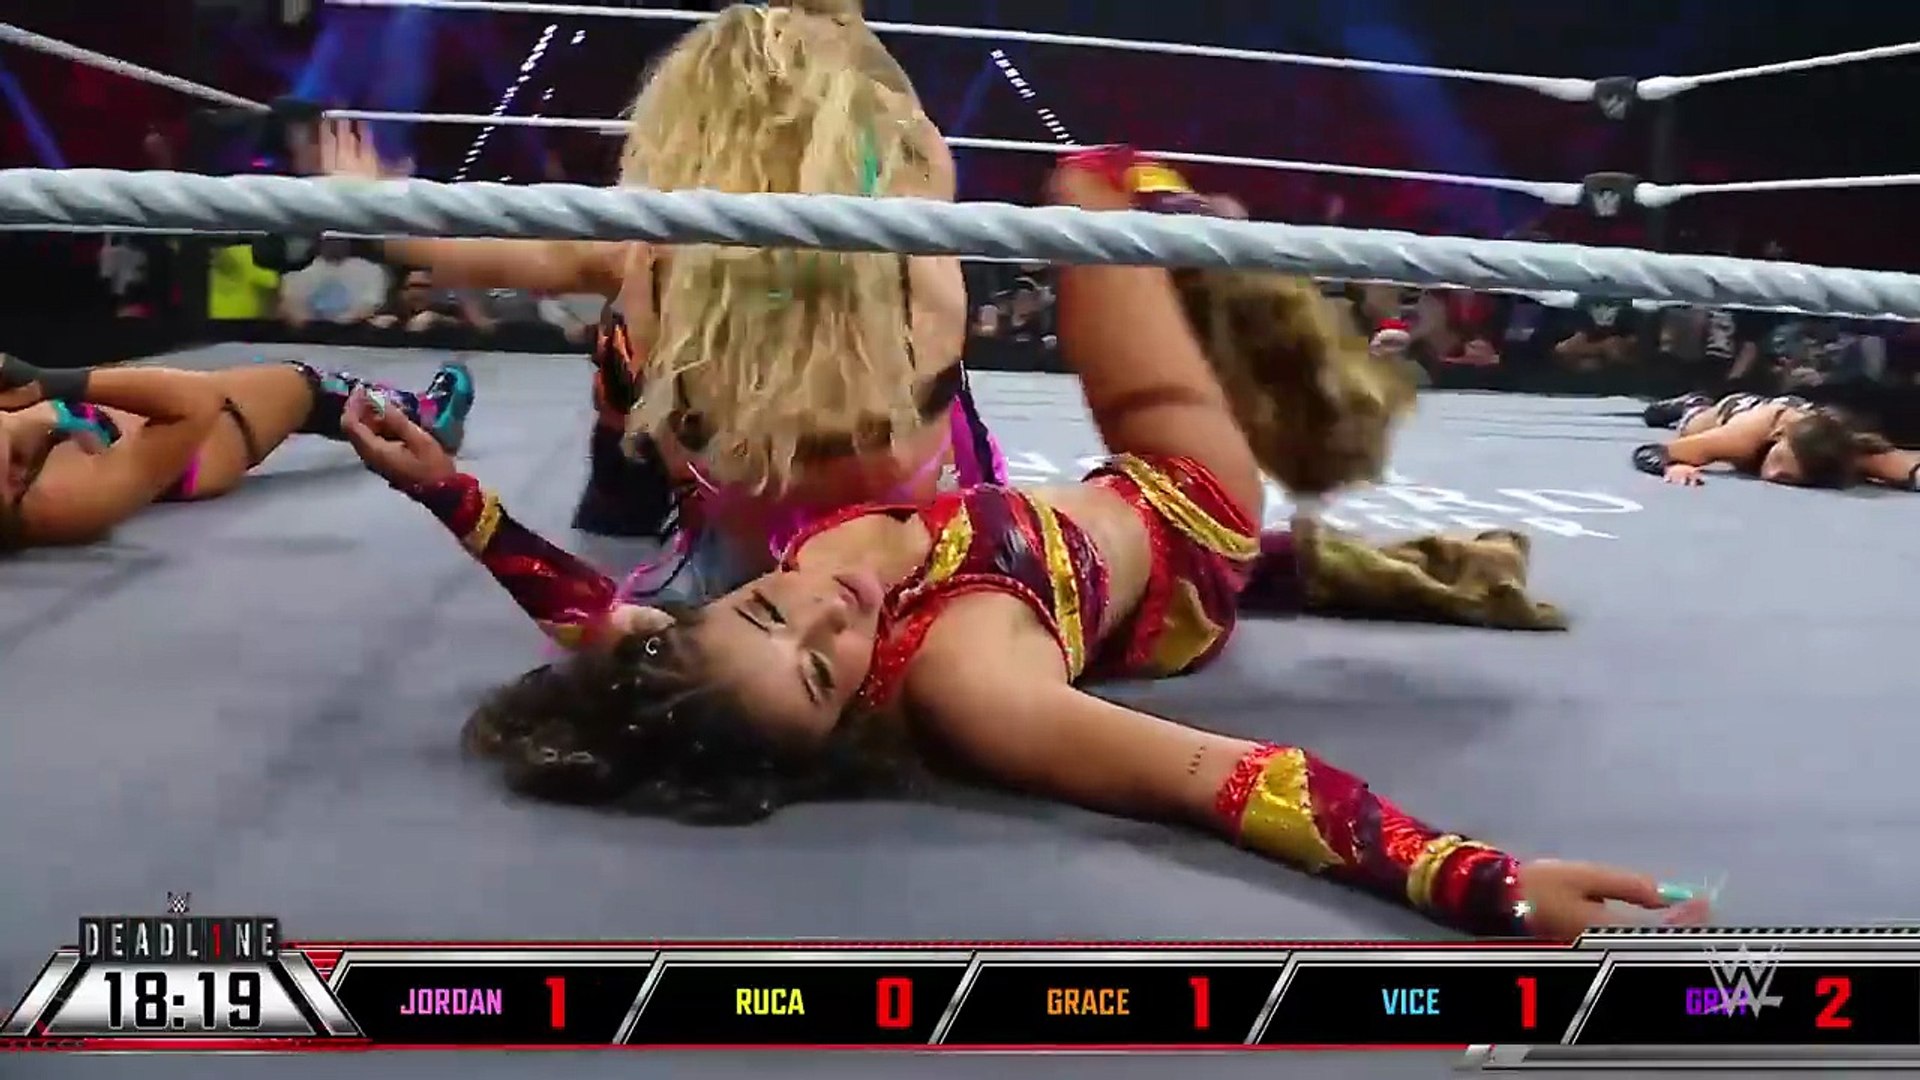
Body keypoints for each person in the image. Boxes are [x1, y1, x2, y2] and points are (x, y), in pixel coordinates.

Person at [342, 153, 1684, 938]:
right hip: (1178, 511)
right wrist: (1482, 883)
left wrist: (448, 493)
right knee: (1101, 187)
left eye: (768, 611)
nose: (828, 611)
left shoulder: (717, 629)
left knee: (1088, 198)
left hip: (1051, 500)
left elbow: (593, 622)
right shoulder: (973, 686)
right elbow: (1225, 781)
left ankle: (1243, 320)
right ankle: (1278, 354)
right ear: (844, 721)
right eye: (823, 668)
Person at [320, 0, 1003, 597]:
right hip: (919, 537)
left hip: (754, 558)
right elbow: (889, 110)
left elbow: (521, 250)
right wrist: (831, 46)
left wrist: (375, 209)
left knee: (632, 332)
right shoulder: (917, 209)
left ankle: (634, 496)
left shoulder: (653, 256)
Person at [0, 352, 472, 549]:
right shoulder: (59, 501)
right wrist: (52, 383)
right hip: (195, 442)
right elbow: (195, 406)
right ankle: (423, 416)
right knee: (304, 386)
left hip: (116, 410)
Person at [1635, 391, 1920, 489]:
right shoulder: (1743, 437)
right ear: (1779, 438)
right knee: (1675, 420)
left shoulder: (1848, 450)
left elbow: (1910, 469)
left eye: (1788, 478)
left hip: (1804, 415)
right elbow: (1651, 451)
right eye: (1779, 459)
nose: (1771, 474)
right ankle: (1694, 402)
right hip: (1737, 409)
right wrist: (1673, 465)